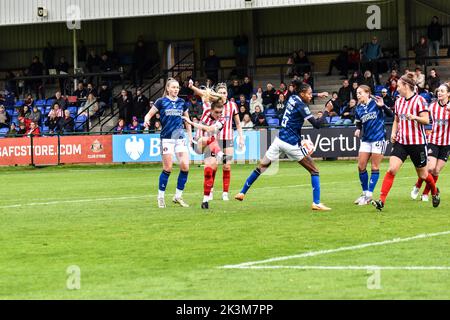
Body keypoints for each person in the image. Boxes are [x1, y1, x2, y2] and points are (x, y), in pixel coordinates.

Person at [234, 81, 332, 211]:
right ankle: (316, 203)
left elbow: (305, 95)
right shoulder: (302, 106)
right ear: (302, 94)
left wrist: (317, 94)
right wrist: (326, 110)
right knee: (314, 170)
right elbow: (317, 124)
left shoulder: (293, 97)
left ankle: (242, 192)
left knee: (262, 166)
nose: (310, 96)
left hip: (279, 140)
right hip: (291, 144)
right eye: (308, 94)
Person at [372, 72, 440, 211]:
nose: (396, 88)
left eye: (398, 86)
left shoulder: (419, 100)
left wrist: (414, 117)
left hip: (417, 143)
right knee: (392, 169)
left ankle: (434, 191)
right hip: (401, 142)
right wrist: (393, 133)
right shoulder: (398, 101)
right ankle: (381, 201)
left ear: (406, 86)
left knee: (423, 174)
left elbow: (426, 120)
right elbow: (396, 119)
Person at [189, 81, 245, 201]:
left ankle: (225, 193)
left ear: (227, 93)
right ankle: (211, 190)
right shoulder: (212, 105)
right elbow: (203, 93)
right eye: (220, 92)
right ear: (217, 94)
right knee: (213, 166)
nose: (223, 94)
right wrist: (192, 87)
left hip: (228, 138)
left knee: (227, 166)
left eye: (224, 92)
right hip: (213, 139)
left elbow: (238, 123)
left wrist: (241, 137)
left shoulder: (232, 105)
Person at [144, 78, 192, 208]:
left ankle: (178, 196)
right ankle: (160, 197)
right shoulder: (161, 102)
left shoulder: (182, 102)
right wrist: (146, 120)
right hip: (167, 138)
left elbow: (187, 120)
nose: (176, 89)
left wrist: (190, 137)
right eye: (173, 87)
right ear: (168, 88)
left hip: (180, 138)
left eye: (177, 87)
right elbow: (148, 115)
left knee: (185, 166)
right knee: (168, 168)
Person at [182, 96, 228, 209]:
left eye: (220, 112)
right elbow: (202, 94)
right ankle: (221, 154)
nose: (219, 114)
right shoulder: (207, 107)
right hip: (198, 144)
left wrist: (190, 123)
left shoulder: (222, 120)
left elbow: (208, 129)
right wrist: (192, 86)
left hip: (210, 147)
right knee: (207, 139)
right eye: (217, 112)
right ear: (211, 110)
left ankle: (205, 201)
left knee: (208, 170)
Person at [353, 86, 393, 205]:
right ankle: (365, 193)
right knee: (361, 166)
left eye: (360, 93)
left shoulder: (376, 102)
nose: (358, 95)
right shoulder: (358, 108)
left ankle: (369, 194)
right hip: (366, 139)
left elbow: (391, 114)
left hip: (378, 138)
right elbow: (359, 122)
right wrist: (358, 129)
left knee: (374, 167)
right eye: (357, 93)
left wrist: (383, 106)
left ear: (367, 93)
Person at [411, 83, 450, 202]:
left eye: (442, 91)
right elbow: (424, 117)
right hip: (433, 141)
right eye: (438, 91)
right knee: (429, 168)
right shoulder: (432, 106)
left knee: (436, 171)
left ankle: (425, 193)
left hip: (447, 143)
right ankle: (417, 186)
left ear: (448, 94)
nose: (439, 93)